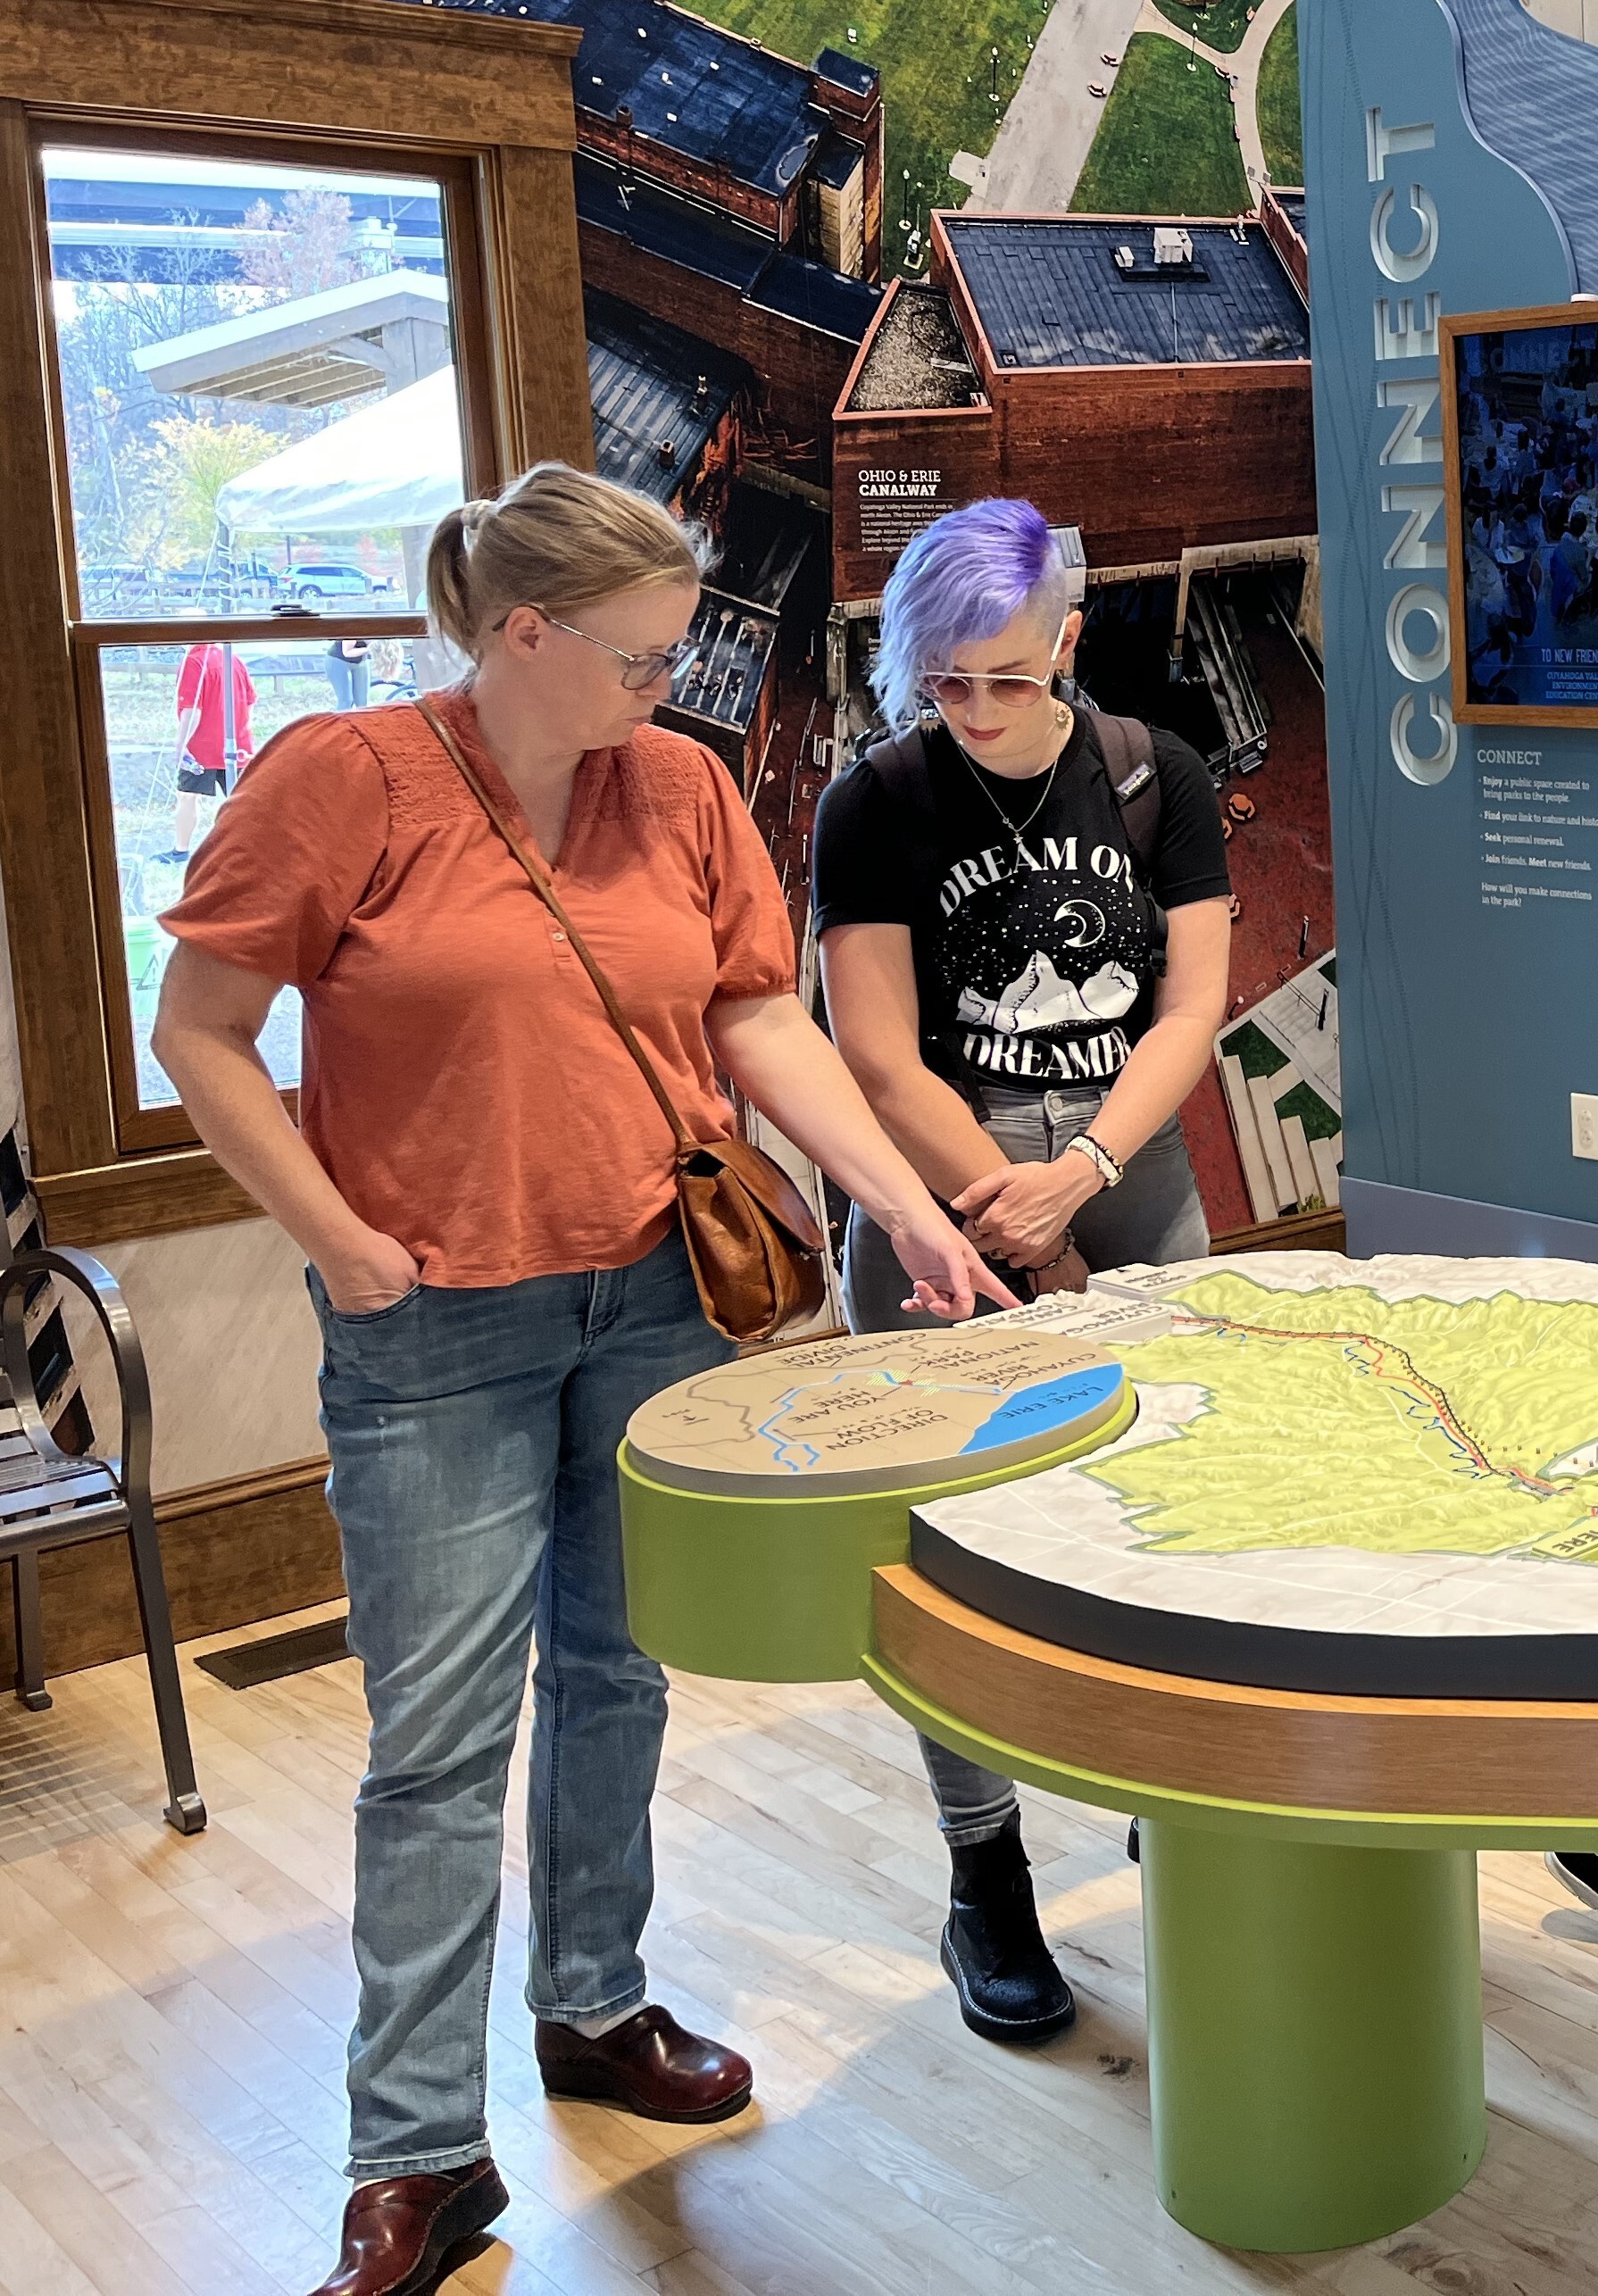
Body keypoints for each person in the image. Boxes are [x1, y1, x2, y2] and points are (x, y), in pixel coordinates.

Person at [152, 462, 1012, 2296]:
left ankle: (594, 2002)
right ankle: (413, 2153)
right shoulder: (340, 779)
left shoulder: (682, 787)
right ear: (516, 632)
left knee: (615, 1670)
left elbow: (751, 1015)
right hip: (433, 1321)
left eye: (676, 650)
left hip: (653, 1295)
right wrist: (334, 1234)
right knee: (440, 1743)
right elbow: (203, 1033)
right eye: (632, 654)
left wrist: (900, 1201)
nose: (664, 685)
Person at [812, 497, 1231, 2047]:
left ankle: (1172, 1786)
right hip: (937, 1187)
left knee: (1178, 1489)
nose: (978, 710)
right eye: (943, 685)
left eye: (1005, 674)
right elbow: (868, 1043)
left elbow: (1188, 1006)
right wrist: (997, 1200)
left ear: (1069, 635)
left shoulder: (1151, 772)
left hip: (1124, 1162)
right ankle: (981, 1873)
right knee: (947, 1535)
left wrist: (1087, 1177)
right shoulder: (872, 802)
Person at [154, 640, 255, 865]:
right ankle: (250, 848)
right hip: (238, 744)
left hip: (202, 746)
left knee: (187, 795)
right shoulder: (234, 659)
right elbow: (249, 702)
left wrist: (181, 745)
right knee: (242, 799)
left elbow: (192, 710)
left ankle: (181, 850)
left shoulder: (194, 661)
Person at [324, 635, 372, 711]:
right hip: (339, 661)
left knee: (362, 701)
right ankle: (341, 722)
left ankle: (361, 722)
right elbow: (346, 652)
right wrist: (368, 650)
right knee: (346, 701)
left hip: (361, 661)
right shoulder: (356, 628)